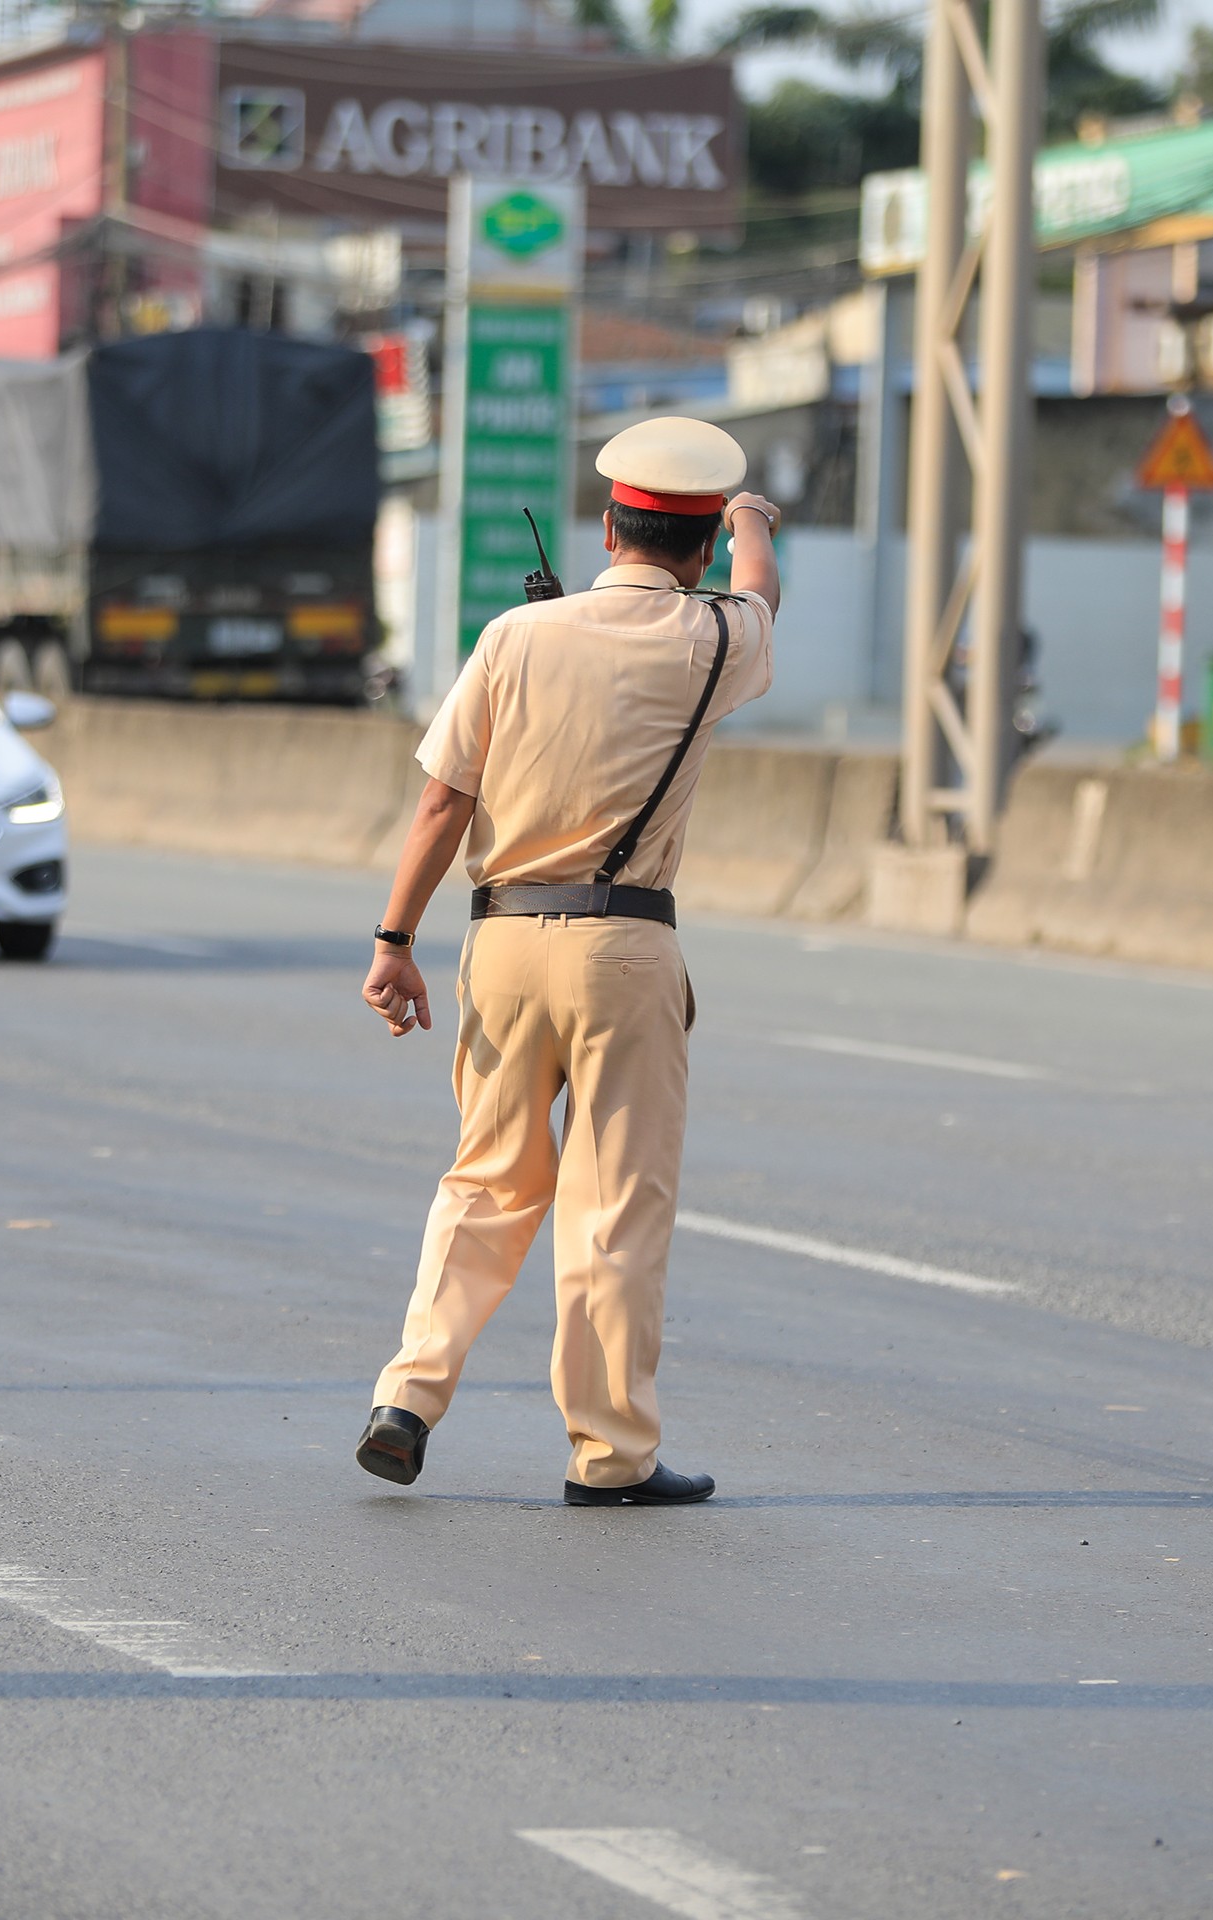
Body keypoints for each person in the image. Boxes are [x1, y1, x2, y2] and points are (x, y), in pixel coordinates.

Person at [355, 416, 780, 1506]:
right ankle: (608, 1452)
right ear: (699, 550)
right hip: (624, 946)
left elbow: (442, 798)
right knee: (612, 1205)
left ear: (605, 529)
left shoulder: (512, 637)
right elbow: (761, 594)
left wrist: (394, 940)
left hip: (499, 939)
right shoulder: (715, 639)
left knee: (486, 1181)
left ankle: (407, 1396)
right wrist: (751, 520)